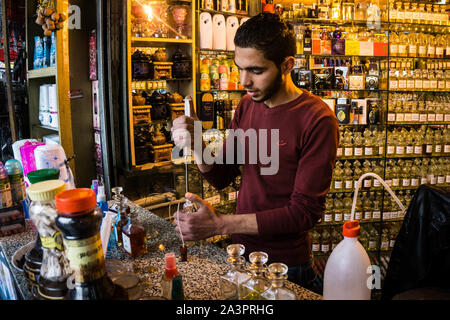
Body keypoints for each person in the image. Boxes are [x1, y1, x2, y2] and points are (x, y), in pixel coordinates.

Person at [171, 12, 339, 294]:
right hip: (240, 255)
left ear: (287, 65)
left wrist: (219, 224)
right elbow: (222, 176)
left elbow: (303, 214)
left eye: (256, 71)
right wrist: (197, 142)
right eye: (240, 68)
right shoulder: (247, 106)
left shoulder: (317, 119)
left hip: (286, 267)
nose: (244, 81)